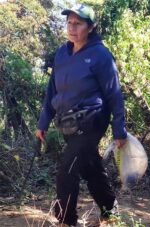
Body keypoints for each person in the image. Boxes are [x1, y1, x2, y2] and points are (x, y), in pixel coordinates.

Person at [35, 4, 127, 226]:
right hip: (67, 121)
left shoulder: (100, 55)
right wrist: (43, 122)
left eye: (78, 23)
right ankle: (110, 213)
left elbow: (114, 93)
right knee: (90, 167)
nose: (72, 28)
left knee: (67, 169)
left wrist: (119, 128)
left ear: (91, 27)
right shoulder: (62, 53)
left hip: (92, 119)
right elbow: (52, 90)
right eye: (69, 23)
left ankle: (67, 221)